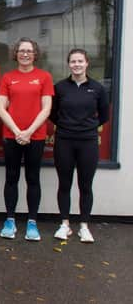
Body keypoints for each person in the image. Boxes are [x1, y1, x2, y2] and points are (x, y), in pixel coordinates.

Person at [0, 38, 54, 241]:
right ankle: (10, 220)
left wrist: (28, 131)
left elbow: (46, 108)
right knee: (11, 178)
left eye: (29, 51)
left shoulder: (44, 77)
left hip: (35, 136)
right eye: (21, 50)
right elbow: (0, 107)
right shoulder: (8, 78)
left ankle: (32, 223)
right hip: (11, 136)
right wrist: (16, 130)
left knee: (33, 179)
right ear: (16, 53)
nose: (25, 54)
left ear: (35, 54)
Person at [50, 48, 109, 243]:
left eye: (80, 61)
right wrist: (69, 126)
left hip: (88, 141)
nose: (76, 65)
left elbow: (104, 115)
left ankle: (84, 226)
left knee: (85, 185)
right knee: (64, 183)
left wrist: (85, 127)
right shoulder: (60, 88)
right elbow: (53, 113)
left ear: (86, 63)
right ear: (69, 65)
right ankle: (64, 224)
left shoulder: (97, 88)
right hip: (64, 140)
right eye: (73, 62)